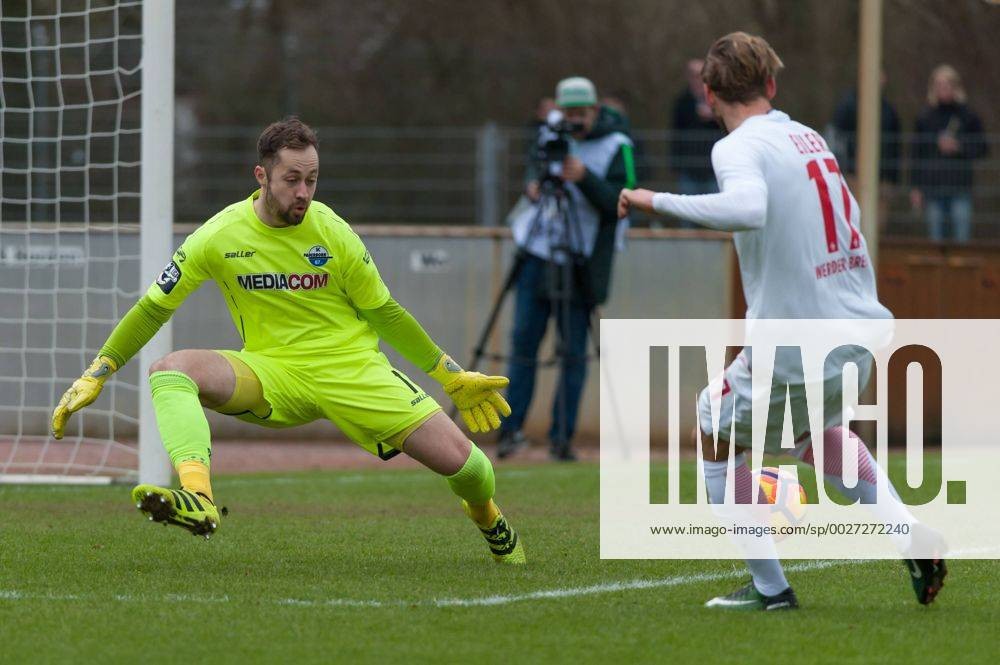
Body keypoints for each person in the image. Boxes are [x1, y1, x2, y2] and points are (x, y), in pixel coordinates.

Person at [50, 117, 525, 564]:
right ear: (262, 176)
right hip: (272, 373)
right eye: (292, 179)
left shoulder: (333, 232)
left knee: (470, 469)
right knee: (170, 371)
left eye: (312, 180)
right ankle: (199, 497)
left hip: (352, 371)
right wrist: (100, 370)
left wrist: (448, 373)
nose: (303, 193)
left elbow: (385, 312)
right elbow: (154, 307)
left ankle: (488, 517)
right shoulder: (218, 236)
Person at [619, 32, 946, 609]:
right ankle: (909, 534)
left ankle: (771, 590)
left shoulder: (737, 146)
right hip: (858, 332)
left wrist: (653, 199)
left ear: (709, 94)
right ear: (771, 84)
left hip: (797, 343)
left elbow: (748, 208)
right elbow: (845, 213)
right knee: (815, 434)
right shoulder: (809, 138)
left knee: (713, 426)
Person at [499, 76, 636, 461]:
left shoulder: (618, 146)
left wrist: (584, 177)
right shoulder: (549, 134)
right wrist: (533, 184)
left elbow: (621, 202)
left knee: (574, 351)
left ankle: (562, 437)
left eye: (581, 114)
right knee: (523, 341)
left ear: (595, 110)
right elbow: (533, 168)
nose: (574, 121)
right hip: (538, 251)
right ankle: (511, 431)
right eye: (568, 113)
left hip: (581, 259)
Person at [909, 64, 988, 243]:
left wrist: (958, 147)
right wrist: (916, 187)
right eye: (939, 85)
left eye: (947, 84)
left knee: (962, 240)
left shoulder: (968, 116)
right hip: (933, 188)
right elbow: (916, 154)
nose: (943, 89)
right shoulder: (925, 117)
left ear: (956, 87)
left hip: (960, 187)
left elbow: (982, 148)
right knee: (935, 240)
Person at [828, 72, 902, 232]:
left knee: (879, 225)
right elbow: (837, 139)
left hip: (882, 176)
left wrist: (893, 178)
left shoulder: (889, 110)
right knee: (854, 222)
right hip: (853, 174)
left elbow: (895, 146)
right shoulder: (847, 107)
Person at [669, 59, 725, 227]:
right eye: (693, 75)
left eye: (701, 75)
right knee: (687, 216)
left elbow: (728, 127)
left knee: (717, 216)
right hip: (689, 169)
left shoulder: (718, 101)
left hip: (714, 168)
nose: (698, 79)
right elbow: (675, 133)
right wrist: (676, 163)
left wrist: (714, 116)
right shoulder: (682, 102)